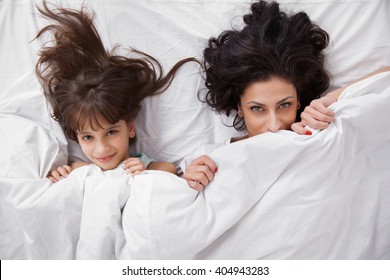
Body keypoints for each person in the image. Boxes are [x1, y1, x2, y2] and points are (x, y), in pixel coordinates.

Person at [182, 0, 390, 190]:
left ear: (299, 100)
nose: (273, 126)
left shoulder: (318, 130)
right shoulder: (207, 158)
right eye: (257, 108)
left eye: (284, 105)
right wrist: (187, 183)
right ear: (239, 106)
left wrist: (329, 99)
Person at [35, 1, 196, 183]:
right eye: (87, 137)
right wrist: (59, 176)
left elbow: (168, 171)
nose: (101, 149)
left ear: (130, 128)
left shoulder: (150, 167)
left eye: (111, 132)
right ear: (77, 137)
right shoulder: (80, 169)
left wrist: (146, 174)